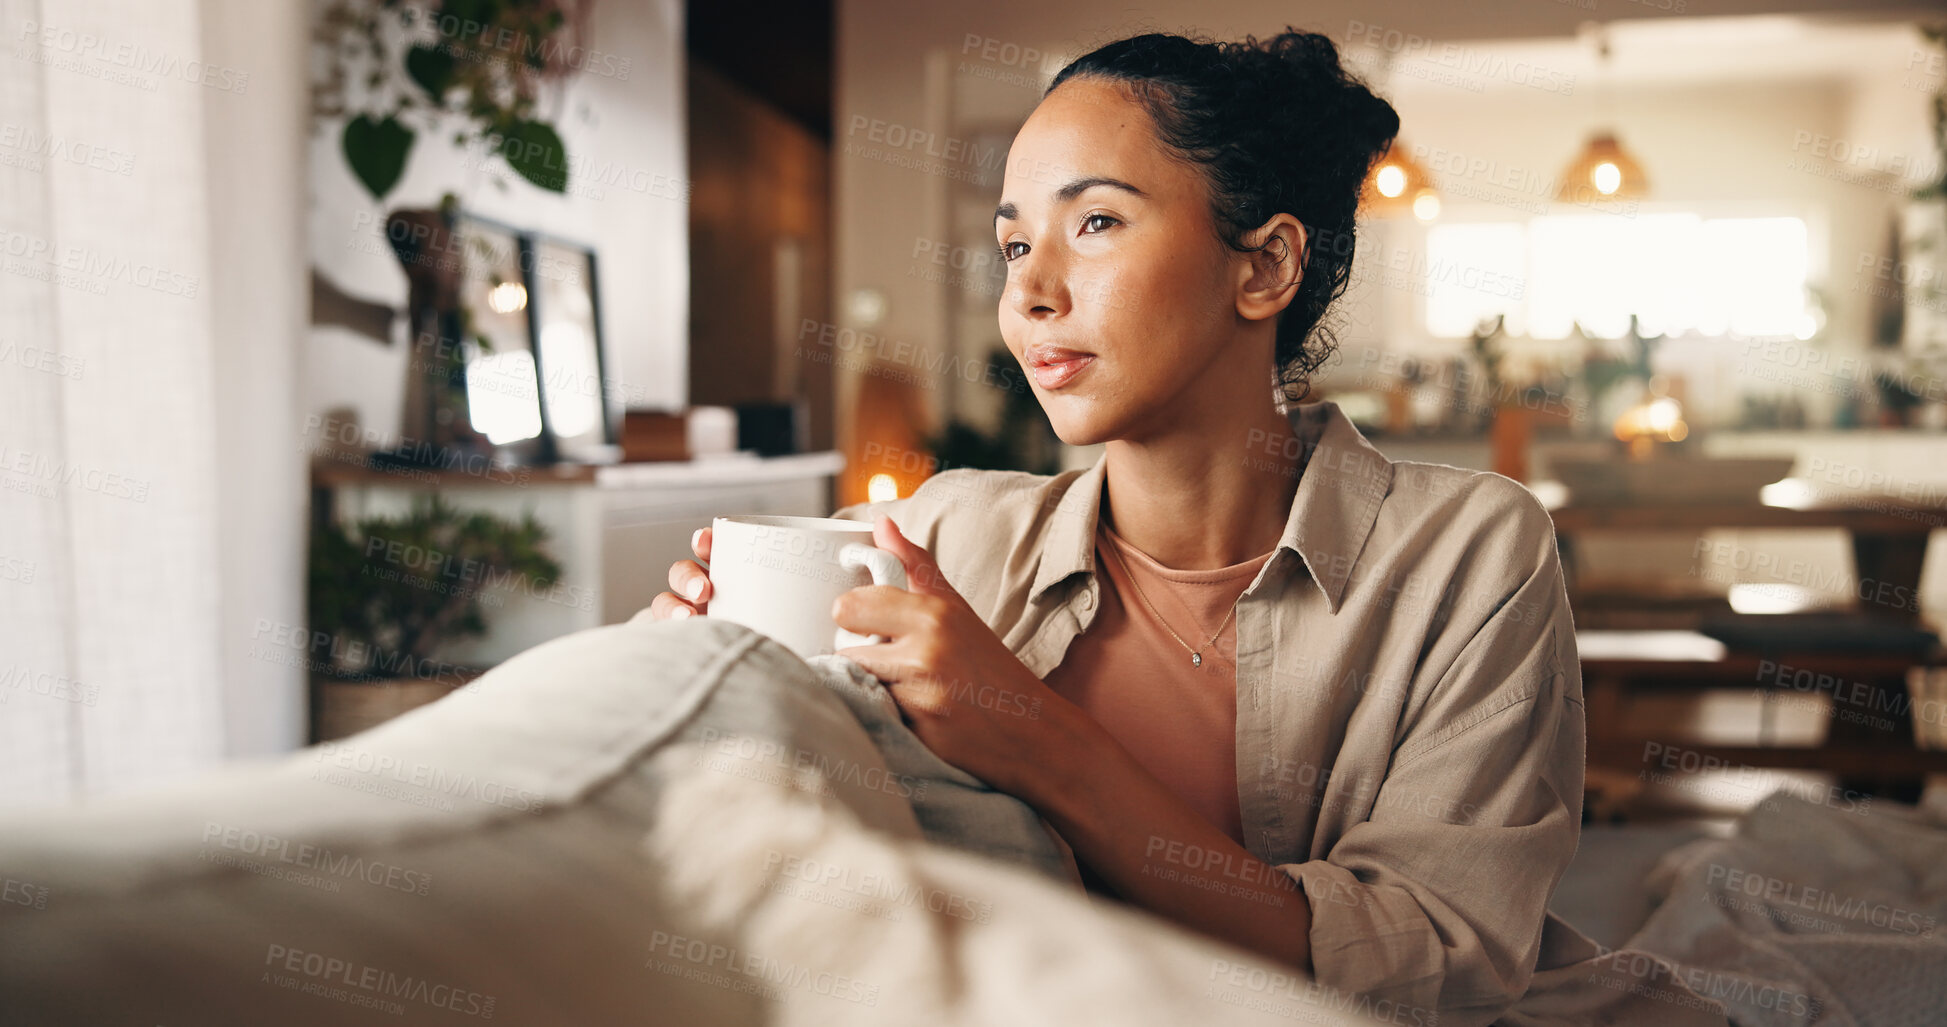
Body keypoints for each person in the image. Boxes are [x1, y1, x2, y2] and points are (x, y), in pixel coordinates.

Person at [653, 28, 1723, 1027]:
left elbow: (1437, 959)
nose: (1029, 290)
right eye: (1012, 242)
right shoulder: (940, 536)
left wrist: (1028, 729)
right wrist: (689, 640)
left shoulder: (1468, 552)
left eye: (1097, 223)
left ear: (1264, 267)